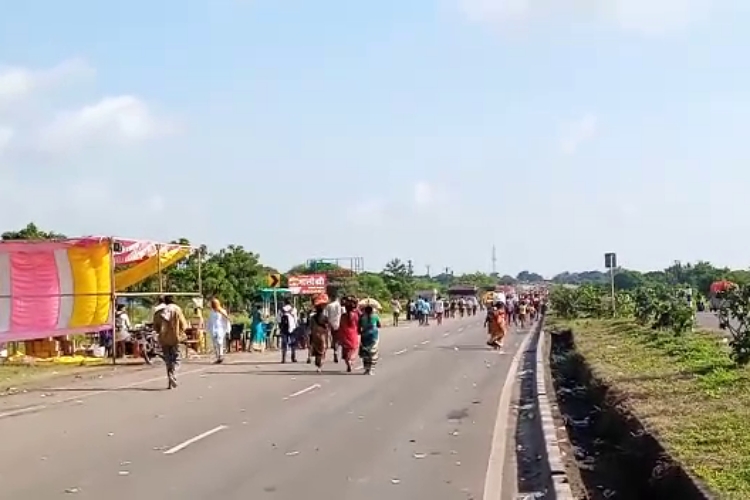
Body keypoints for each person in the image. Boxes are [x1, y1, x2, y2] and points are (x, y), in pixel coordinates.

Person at [152, 295, 188, 389]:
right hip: (175, 338)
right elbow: (184, 325)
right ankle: (174, 374)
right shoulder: (177, 309)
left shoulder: (159, 312)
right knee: (177, 359)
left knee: (168, 360)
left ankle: (169, 381)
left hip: (163, 339)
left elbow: (155, 327)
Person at [338, 298, 360, 372]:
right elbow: (358, 324)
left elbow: (340, 326)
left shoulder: (343, 316)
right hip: (353, 335)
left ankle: (348, 363)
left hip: (344, 335)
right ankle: (351, 361)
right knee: (353, 350)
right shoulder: (355, 315)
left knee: (345, 352)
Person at [309, 296, 330, 372]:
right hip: (322, 335)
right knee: (322, 350)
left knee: (317, 351)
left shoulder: (312, 318)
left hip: (315, 335)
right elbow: (327, 327)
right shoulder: (325, 318)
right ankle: (320, 366)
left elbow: (310, 327)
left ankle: (318, 365)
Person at [207, 298, 231, 364]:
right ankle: (218, 357)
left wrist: (228, 330)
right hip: (213, 329)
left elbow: (226, 320)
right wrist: (208, 328)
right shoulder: (212, 312)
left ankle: (221, 355)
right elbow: (210, 321)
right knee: (214, 344)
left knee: (219, 342)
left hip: (220, 329)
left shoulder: (222, 311)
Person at [358, 305, 381, 375]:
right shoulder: (375, 316)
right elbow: (379, 325)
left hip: (364, 336)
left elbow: (359, 327)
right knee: (372, 353)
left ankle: (366, 369)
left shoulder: (362, 317)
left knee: (365, 352)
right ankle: (370, 370)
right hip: (373, 336)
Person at [325, 294, 343, 363]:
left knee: (334, 339)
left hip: (331, 324)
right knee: (338, 340)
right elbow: (343, 315)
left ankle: (335, 351)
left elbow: (326, 316)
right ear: (337, 298)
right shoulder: (340, 306)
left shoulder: (329, 306)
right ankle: (336, 351)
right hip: (339, 324)